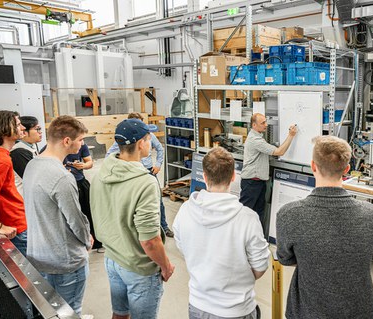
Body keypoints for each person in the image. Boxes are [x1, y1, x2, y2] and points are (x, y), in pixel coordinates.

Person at [276, 136, 373, 319]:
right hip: (360, 311)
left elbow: (285, 259)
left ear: (313, 166)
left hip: (308, 312)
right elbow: (366, 255)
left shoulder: (289, 214)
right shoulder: (371, 214)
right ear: (347, 169)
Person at [91, 118, 174, 319]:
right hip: (139, 267)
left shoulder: (102, 172)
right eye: (148, 139)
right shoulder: (144, 183)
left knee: (119, 314)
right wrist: (165, 265)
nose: (150, 143)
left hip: (112, 257)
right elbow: (150, 240)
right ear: (140, 144)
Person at [174, 147, 270, 319]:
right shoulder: (248, 218)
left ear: (204, 176)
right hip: (237, 309)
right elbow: (260, 267)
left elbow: (184, 248)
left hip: (198, 306)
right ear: (234, 176)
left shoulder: (185, 211)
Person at [23, 115, 92, 315]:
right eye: (80, 139)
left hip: (40, 257)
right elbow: (76, 221)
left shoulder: (32, 165)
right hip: (65, 262)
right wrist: (86, 240)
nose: (82, 144)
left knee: (49, 311)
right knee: (70, 311)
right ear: (67, 141)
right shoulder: (62, 176)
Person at [106, 112, 173, 237]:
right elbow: (109, 154)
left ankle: (163, 227)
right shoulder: (123, 140)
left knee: (158, 201)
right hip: (130, 172)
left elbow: (160, 148)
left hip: (148, 171)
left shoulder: (150, 136)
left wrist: (158, 164)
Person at [240, 113, 297, 225]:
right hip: (251, 183)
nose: (266, 125)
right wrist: (291, 135)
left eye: (266, 122)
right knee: (245, 214)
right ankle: (239, 240)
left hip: (258, 182)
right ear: (254, 125)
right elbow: (279, 152)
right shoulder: (255, 140)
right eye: (263, 123)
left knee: (258, 213)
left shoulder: (258, 137)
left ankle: (256, 239)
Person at [0, 110, 28, 256]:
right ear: (4, 128)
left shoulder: (2, 156)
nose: (22, 128)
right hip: (14, 227)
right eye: (18, 124)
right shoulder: (1, 160)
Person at [64, 141, 103, 251]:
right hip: (66, 184)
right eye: (79, 139)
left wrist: (83, 165)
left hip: (80, 182)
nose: (82, 142)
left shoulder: (82, 145)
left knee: (89, 212)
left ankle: (96, 242)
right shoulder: (55, 147)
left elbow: (89, 162)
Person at [10, 116, 42, 196]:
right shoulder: (18, 152)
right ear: (24, 132)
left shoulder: (30, 146)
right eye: (37, 129)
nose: (40, 132)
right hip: (22, 198)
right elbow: (34, 178)